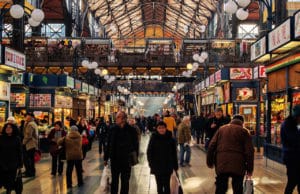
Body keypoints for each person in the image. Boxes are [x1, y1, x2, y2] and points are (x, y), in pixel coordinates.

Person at [207, 115, 254, 194]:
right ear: (242, 122)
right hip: (238, 165)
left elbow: (211, 146)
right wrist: (249, 169)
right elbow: (249, 152)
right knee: (237, 188)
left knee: (221, 188)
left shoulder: (221, 129)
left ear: (232, 120)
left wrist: (210, 162)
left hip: (222, 163)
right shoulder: (244, 132)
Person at [104, 111, 139, 194]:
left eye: (118, 117)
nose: (115, 119)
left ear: (123, 119)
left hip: (126, 160)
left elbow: (135, 145)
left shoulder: (131, 130)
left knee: (125, 181)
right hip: (115, 159)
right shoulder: (112, 129)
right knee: (114, 181)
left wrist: (135, 157)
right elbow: (108, 144)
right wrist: (106, 158)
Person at [147, 121, 178, 194]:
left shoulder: (170, 138)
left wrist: (175, 166)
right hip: (157, 166)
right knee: (159, 186)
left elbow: (174, 153)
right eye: (159, 128)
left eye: (163, 128)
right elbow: (149, 152)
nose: (161, 130)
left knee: (167, 185)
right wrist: (151, 163)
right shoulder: (153, 138)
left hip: (168, 166)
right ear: (157, 129)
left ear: (166, 128)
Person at [280, 105, 300, 194]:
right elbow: (294, 139)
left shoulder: (294, 124)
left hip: (295, 157)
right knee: (292, 182)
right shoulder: (288, 124)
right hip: (292, 158)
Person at [0, 123, 23, 194]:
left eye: (10, 127)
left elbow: (19, 152)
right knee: (2, 180)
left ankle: (9, 191)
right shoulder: (1, 138)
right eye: (6, 127)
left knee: (11, 181)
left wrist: (20, 164)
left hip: (13, 163)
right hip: (2, 163)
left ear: (13, 129)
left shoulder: (17, 139)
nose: (8, 128)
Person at [22, 112, 38, 177]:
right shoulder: (31, 123)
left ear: (31, 117)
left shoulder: (30, 124)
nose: (26, 118)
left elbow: (28, 135)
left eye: (28, 116)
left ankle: (29, 172)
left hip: (30, 144)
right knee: (30, 159)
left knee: (27, 159)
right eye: (26, 116)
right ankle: (30, 171)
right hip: (32, 144)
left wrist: (23, 143)